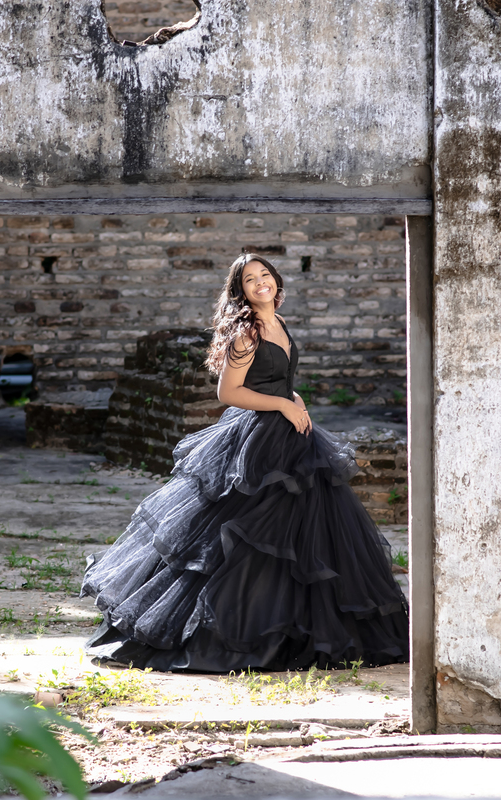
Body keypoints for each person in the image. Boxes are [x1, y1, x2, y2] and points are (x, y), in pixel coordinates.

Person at [80, 253, 410, 672]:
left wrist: (293, 399)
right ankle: (233, 632)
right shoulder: (246, 333)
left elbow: (275, 379)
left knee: (306, 535)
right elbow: (229, 392)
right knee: (247, 532)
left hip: (293, 437)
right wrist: (282, 404)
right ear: (240, 290)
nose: (260, 283)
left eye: (265, 275)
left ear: (276, 280)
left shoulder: (279, 322)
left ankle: (304, 630)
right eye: (250, 279)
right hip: (258, 441)